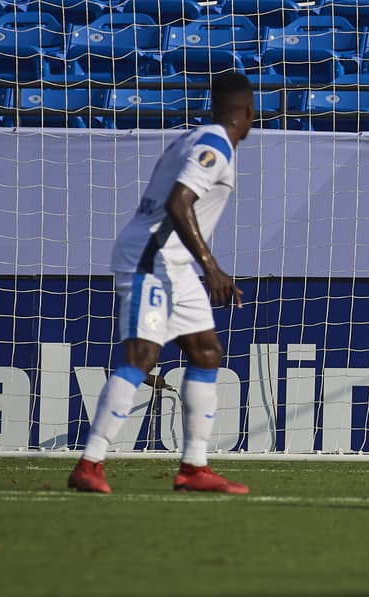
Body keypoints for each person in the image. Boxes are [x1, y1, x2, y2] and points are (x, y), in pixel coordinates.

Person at [68, 73, 256, 495]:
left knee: (206, 352)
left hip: (175, 263)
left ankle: (194, 468)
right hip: (151, 259)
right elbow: (178, 202)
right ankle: (90, 462)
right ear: (248, 112)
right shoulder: (214, 145)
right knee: (143, 355)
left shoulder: (195, 137)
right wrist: (211, 266)